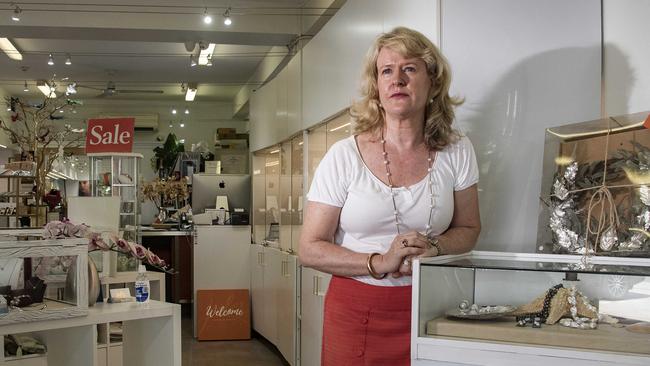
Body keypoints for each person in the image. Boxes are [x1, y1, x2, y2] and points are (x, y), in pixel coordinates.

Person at [299, 26, 481, 365]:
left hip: (432, 307)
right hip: (356, 311)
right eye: (387, 70)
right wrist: (379, 262)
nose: (397, 79)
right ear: (377, 87)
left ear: (433, 82)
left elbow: (469, 229)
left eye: (410, 68)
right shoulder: (343, 155)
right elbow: (309, 248)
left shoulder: (457, 150)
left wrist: (435, 247)